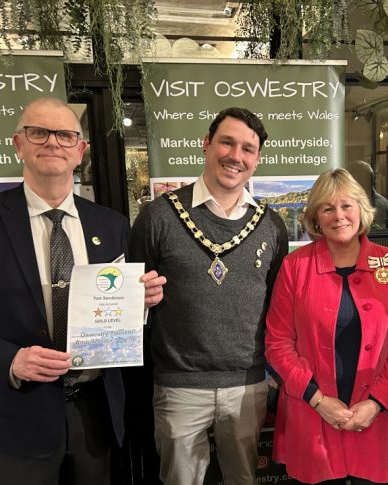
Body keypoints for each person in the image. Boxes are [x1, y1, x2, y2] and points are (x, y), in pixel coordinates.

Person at [0, 97, 166, 485]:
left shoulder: (112, 224)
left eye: (66, 135)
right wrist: (11, 359)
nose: (53, 142)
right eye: (39, 132)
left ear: (80, 151)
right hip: (16, 413)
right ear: (19, 144)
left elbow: (113, 315)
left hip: (95, 414)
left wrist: (141, 302)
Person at [129, 107, 288, 485]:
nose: (236, 156)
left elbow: (278, 306)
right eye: (227, 142)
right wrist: (137, 300)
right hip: (178, 385)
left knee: (243, 480)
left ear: (257, 160)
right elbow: (129, 301)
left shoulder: (271, 224)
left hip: (248, 384)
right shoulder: (158, 216)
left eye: (248, 149)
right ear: (206, 144)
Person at [264, 168, 388, 484]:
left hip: (372, 417)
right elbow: (277, 342)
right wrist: (317, 399)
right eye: (327, 208)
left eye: (347, 205)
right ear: (316, 217)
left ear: (361, 209)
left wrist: (377, 402)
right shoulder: (295, 267)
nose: (338, 215)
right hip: (311, 414)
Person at [347, 160, 388, 228]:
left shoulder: (377, 205)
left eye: (347, 181)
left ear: (356, 180)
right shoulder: (378, 201)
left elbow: (377, 235)